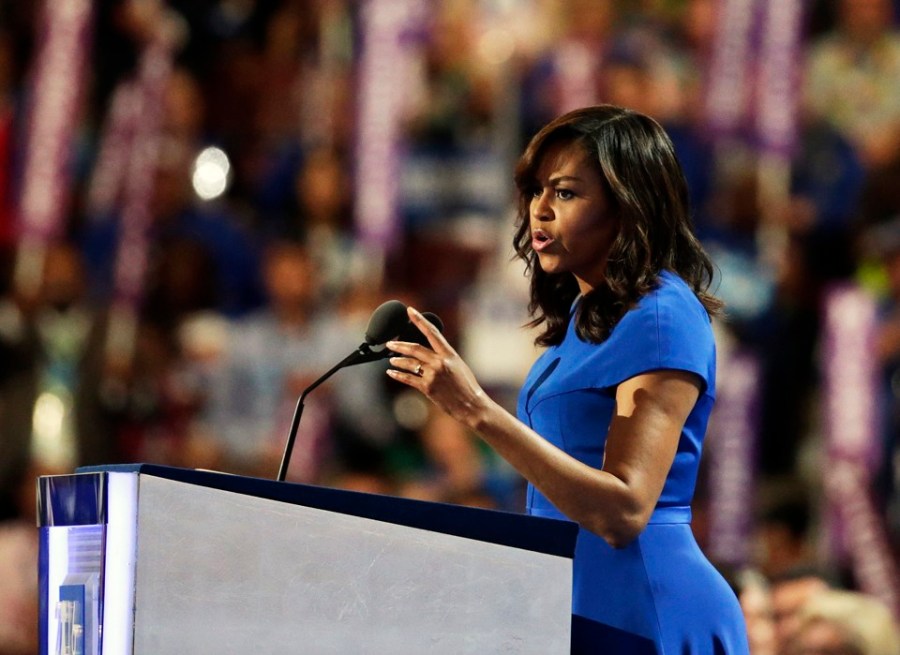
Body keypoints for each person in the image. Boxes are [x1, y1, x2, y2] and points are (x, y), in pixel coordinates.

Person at [385, 105, 749, 653]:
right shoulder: (589, 313)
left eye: (566, 193)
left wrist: (478, 411)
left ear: (628, 204)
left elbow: (625, 511)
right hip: (577, 598)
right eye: (537, 191)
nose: (540, 211)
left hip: (646, 606)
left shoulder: (660, 315)